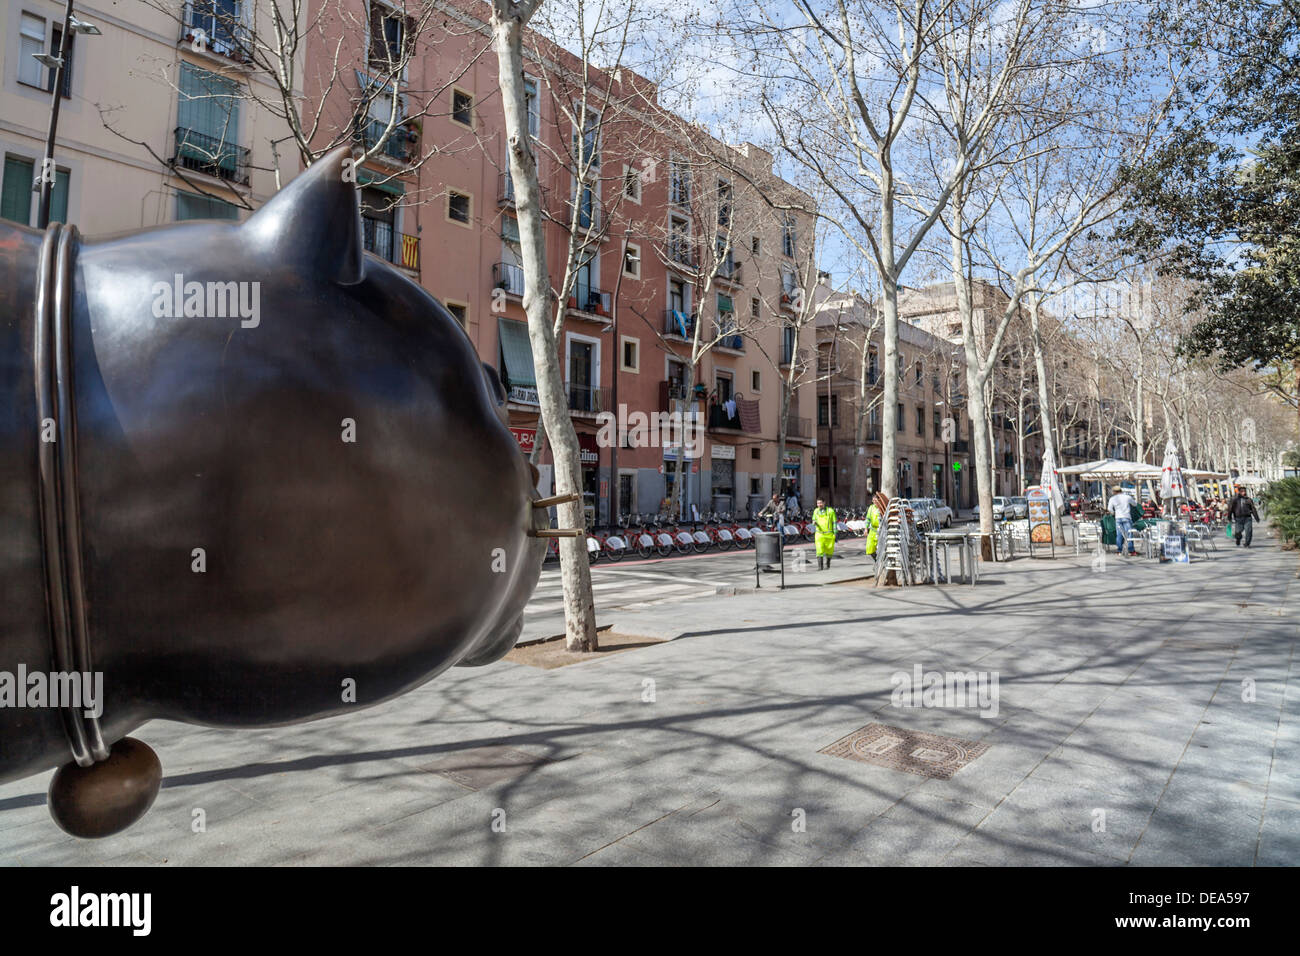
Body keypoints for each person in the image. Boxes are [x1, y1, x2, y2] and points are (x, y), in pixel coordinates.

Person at [1107, 486, 1138, 556]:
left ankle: (1119, 550)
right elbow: (1135, 504)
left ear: (1114, 492)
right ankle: (1131, 550)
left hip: (1118, 517)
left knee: (1119, 534)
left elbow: (1109, 509)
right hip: (1126, 516)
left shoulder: (1112, 499)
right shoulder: (1127, 497)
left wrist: (1113, 513)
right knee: (1129, 534)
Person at [812, 497, 837, 570]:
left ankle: (828, 564)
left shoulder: (830, 511)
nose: (819, 505)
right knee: (819, 549)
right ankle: (820, 567)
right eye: (818, 503)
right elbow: (813, 519)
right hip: (819, 534)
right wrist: (814, 522)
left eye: (820, 503)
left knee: (829, 550)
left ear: (824, 503)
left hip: (829, 534)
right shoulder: (816, 511)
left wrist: (835, 533)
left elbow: (834, 522)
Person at [865, 491, 887, 563]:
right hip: (872, 531)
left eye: (876, 500)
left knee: (881, 549)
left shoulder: (882, 508)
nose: (874, 502)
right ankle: (876, 560)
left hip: (881, 531)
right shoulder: (871, 508)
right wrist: (866, 529)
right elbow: (868, 519)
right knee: (869, 549)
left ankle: (881, 562)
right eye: (873, 500)